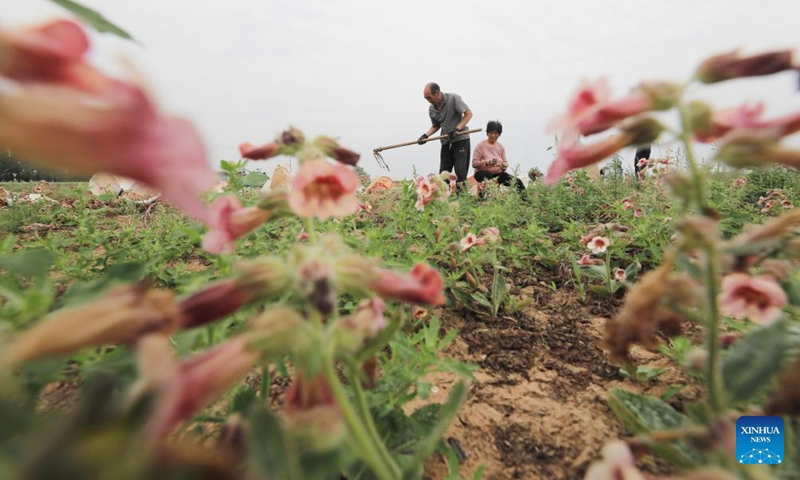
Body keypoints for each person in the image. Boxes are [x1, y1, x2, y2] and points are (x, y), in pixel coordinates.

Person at [417, 82, 473, 193]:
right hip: (446, 141)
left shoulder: (453, 99)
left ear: (437, 93)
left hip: (461, 140)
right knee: (443, 174)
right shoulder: (432, 109)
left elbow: (468, 113)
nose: (429, 101)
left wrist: (458, 128)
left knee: (460, 173)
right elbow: (436, 125)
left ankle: (462, 200)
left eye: (429, 97)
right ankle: (444, 200)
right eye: (426, 99)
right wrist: (425, 136)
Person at [472, 120, 525, 196]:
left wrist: (504, 165)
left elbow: (505, 162)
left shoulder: (500, 147)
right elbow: (474, 164)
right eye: (491, 133)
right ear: (487, 133)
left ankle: (526, 201)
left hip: (498, 174)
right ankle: (482, 200)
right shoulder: (480, 146)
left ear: (499, 134)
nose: (493, 135)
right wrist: (487, 162)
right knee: (488, 179)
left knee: (517, 182)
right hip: (482, 173)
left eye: (496, 133)